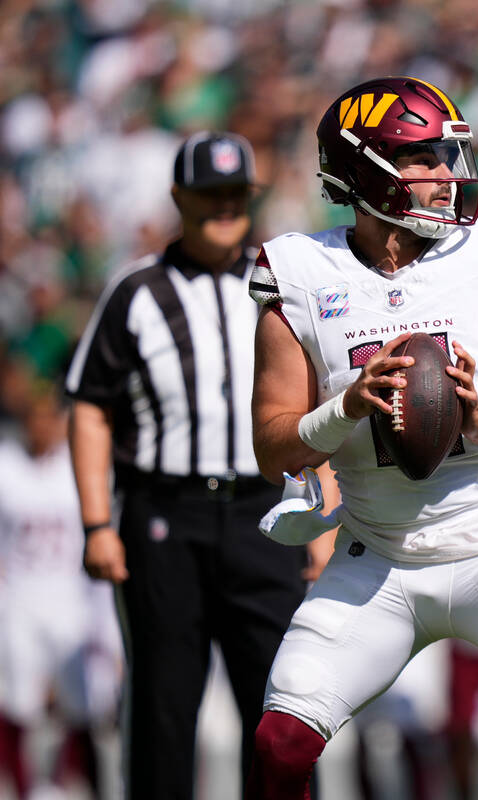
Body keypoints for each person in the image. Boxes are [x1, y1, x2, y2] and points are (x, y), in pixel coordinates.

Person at [245, 76, 478, 799]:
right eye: (424, 159)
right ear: (362, 172)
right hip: (377, 555)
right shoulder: (301, 273)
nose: (447, 175)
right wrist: (347, 406)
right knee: (281, 742)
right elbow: (272, 445)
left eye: (448, 154)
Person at [64, 131, 323, 799]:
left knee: (282, 705)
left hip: (265, 515)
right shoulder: (136, 291)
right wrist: (98, 524)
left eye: (236, 193)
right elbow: (90, 407)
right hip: (163, 517)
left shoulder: (284, 290)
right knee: (162, 706)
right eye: (210, 194)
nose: (225, 207)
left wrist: (323, 520)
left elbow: (317, 410)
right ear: (180, 198)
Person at [0, 386, 123, 798]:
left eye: (49, 416)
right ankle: (23, 788)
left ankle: (88, 786)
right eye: (33, 416)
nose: (41, 425)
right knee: (17, 705)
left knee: (85, 704)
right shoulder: (7, 467)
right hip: (18, 599)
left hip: (72, 601)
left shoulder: (80, 471)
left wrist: (106, 625)